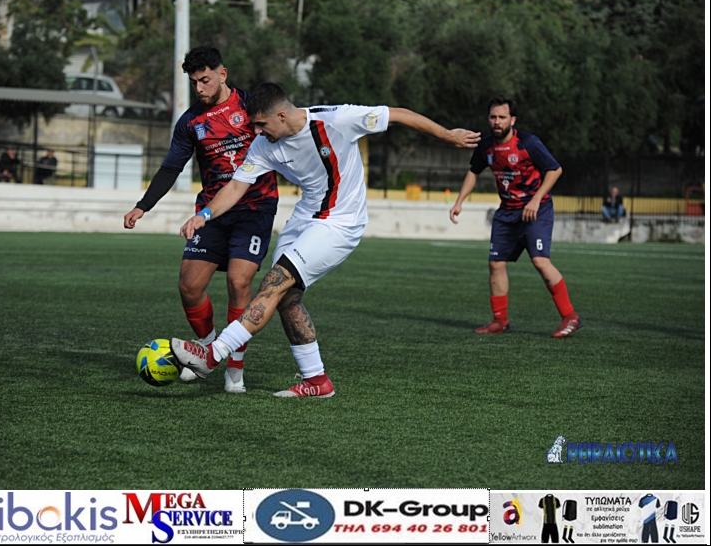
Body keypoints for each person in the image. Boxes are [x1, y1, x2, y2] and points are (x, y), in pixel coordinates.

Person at [171, 82, 480, 398]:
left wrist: (447, 135)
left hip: (341, 222)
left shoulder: (337, 120)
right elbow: (236, 187)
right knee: (286, 298)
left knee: (274, 283)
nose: (257, 131)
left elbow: (398, 114)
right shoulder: (263, 145)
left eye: (261, 124)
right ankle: (317, 381)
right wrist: (204, 215)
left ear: (281, 115)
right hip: (305, 217)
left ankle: (211, 356)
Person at [123, 46, 279, 393]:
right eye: (194, 82)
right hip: (211, 211)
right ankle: (207, 352)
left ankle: (234, 369)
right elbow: (171, 167)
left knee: (239, 282)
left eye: (204, 80)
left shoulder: (251, 105)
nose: (199, 88)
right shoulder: (190, 122)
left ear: (223, 74)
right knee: (189, 286)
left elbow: (285, 134)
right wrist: (142, 206)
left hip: (255, 208)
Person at [449, 94, 582, 338]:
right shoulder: (486, 146)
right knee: (495, 263)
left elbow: (555, 170)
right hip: (507, 211)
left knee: (540, 262)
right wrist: (459, 202)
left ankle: (570, 316)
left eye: (502, 117)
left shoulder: (529, 143)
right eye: (493, 117)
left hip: (535, 209)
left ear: (512, 120)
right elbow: (474, 171)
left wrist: (535, 199)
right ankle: (500, 321)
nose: (497, 121)